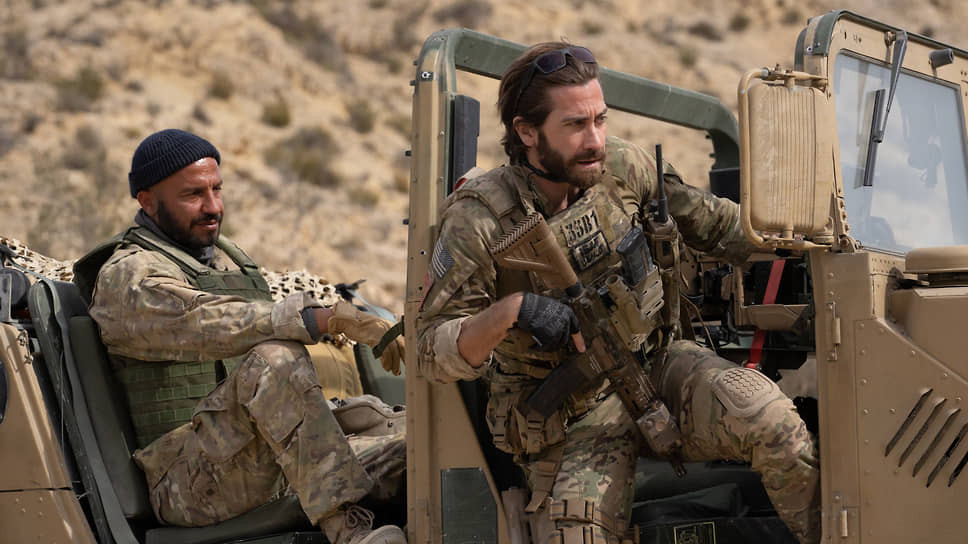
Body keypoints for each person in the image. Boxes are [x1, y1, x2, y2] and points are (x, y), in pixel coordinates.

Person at [415, 42, 819, 543]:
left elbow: (719, 226)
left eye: (600, 120)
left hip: (657, 364)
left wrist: (812, 245)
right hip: (573, 415)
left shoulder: (624, 167)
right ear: (526, 132)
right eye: (575, 125)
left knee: (773, 421)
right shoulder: (478, 219)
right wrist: (513, 311)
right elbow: (430, 351)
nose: (595, 141)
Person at [72, 129, 407, 544]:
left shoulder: (226, 260)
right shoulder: (128, 276)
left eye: (216, 189)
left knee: (415, 451)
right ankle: (347, 530)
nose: (213, 207)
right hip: (186, 485)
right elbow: (208, 321)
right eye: (193, 194)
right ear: (147, 201)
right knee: (276, 359)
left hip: (257, 456)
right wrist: (327, 319)